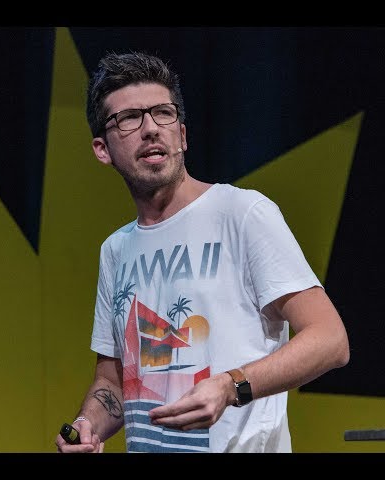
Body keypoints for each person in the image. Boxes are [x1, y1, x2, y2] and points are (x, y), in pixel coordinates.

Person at [54, 51, 350, 453]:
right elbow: (114, 382)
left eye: (163, 113)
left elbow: (330, 339)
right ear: (102, 149)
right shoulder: (116, 250)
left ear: (182, 135)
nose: (150, 129)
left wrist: (230, 386)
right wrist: (87, 425)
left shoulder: (242, 213)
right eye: (129, 118)